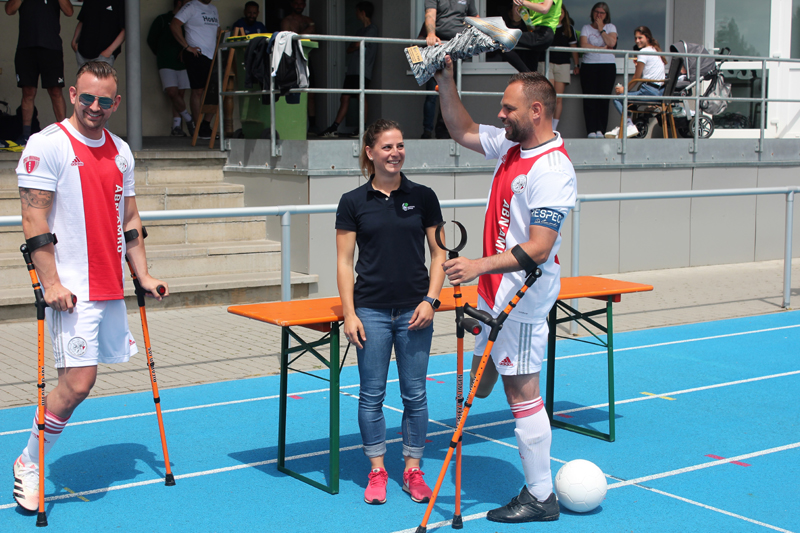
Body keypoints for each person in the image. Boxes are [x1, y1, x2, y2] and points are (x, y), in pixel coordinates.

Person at [12, 61, 169, 512]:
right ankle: (29, 461)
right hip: (71, 290)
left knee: (81, 381)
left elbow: (131, 219)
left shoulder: (121, 151)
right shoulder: (47, 145)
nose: (95, 107)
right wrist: (52, 284)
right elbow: (33, 219)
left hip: (109, 283)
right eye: (87, 97)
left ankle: (33, 452)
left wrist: (143, 274)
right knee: (79, 382)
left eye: (104, 100)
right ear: (73, 95)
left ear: (115, 103)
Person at [433, 55, 576, 523]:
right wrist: (445, 82)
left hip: (523, 297)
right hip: (494, 294)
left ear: (536, 111)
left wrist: (476, 266)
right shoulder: (512, 147)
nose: (500, 115)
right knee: (484, 380)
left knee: (522, 391)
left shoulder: (551, 170)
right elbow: (461, 129)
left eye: (508, 108)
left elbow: (538, 247)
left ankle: (541, 495)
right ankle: (470, 405)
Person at [335, 119, 446, 506]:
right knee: (372, 395)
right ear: (370, 152)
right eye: (386, 147)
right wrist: (350, 313)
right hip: (372, 312)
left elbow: (439, 253)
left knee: (415, 394)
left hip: (416, 310)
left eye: (400, 146)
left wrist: (431, 300)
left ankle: (413, 469)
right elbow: (344, 261)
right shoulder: (352, 202)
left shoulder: (424, 195)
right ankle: (377, 470)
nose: (395, 153)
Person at [5, 0, 74, 147]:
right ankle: (25, 136)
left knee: (55, 90)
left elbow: (69, 12)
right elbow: (9, 10)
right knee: (28, 91)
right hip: (26, 47)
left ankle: (65, 135)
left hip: (51, 48)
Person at [422, 0, 478, 139]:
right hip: (438, 45)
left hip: (457, 48)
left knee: (450, 91)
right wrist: (430, 34)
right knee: (432, 92)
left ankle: (444, 132)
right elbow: (430, 14)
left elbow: (474, 18)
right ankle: (427, 131)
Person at [321, 2, 378, 138]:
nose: (356, 14)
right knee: (344, 97)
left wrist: (355, 45)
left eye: (357, 11)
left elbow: (356, 44)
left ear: (363, 12)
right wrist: (354, 46)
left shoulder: (372, 29)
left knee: (360, 96)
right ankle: (334, 127)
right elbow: (350, 48)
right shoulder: (360, 31)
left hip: (364, 70)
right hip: (352, 70)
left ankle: (362, 129)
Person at [170, 0, 220, 140]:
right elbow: (175, 24)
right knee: (198, 91)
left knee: (214, 91)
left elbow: (217, 31)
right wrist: (186, 47)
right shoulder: (191, 6)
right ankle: (198, 128)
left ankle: (205, 125)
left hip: (212, 55)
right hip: (197, 54)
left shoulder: (213, 9)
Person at [605, 26, 666, 138]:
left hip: (649, 91)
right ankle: (625, 125)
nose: (637, 41)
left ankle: (628, 125)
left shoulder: (643, 52)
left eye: (640, 38)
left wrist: (625, 90)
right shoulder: (655, 50)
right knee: (626, 98)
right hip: (659, 92)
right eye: (635, 38)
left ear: (647, 37)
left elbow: (637, 77)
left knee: (618, 98)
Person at [148, 0, 195, 137]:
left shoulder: (188, 22)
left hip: (183, 63)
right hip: (166, 63)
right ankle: (189, 119)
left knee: (180, 94)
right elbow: (151, 40)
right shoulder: (162, 19)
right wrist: (163, 53)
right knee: (172, 92)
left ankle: (176, 127)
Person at [578, 2, 617, 138]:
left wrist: (601, 29)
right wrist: (602, 49)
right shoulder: (586, 28)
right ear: (592, 13)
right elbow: (583, 45)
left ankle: (600, 130)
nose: (598, 15)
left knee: (603, 99)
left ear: (606, 15)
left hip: (607, 66)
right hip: (589, 66)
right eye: (596, 12)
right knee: (589, 99)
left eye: (602, 13)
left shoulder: (610, 27)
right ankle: (590, 131)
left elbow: (612, 43)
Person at [537, 4, 578, 131]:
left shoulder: (568, 28)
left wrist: (576, 65)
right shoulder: (546, 26)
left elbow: (574, 48)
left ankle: (553, 128)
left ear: (565, 14)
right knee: (548, 97)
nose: (560, 15)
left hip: (563, 65)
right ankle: (545, 126)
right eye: (557, 12)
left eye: (562, 12)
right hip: (547, 63)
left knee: (558, 98)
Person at [280, 0, 318, 133]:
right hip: (291, 60)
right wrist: (308, 30)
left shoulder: (308, 20)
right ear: (291, 4)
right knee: (291, 91)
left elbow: (313, 40)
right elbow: (288, 39)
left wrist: (306, 32)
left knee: (310, 92)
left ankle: (312, 124)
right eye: (295, 3)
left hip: (306, 59)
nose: (298, 6)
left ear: (305, 5)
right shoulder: (287, 21)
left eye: (301, 3)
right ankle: (291, 123)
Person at [504, 0, 562, 74]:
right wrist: (516, 4)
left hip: (544, 33)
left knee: (502, 40)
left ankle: (528, 74)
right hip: (532, 31)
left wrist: (523, 2)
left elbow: (544, 9)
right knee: (531, 70)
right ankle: (529, 75)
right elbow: (516, 19)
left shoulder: (525, 1)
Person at [71, 0, 125, 68]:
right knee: (83, 78)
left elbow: (125, 29)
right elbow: (82, 20)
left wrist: (108, 51)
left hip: (103, 56)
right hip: (82, 52)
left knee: (102, 78)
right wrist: (74, 42)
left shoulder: (120, 2)